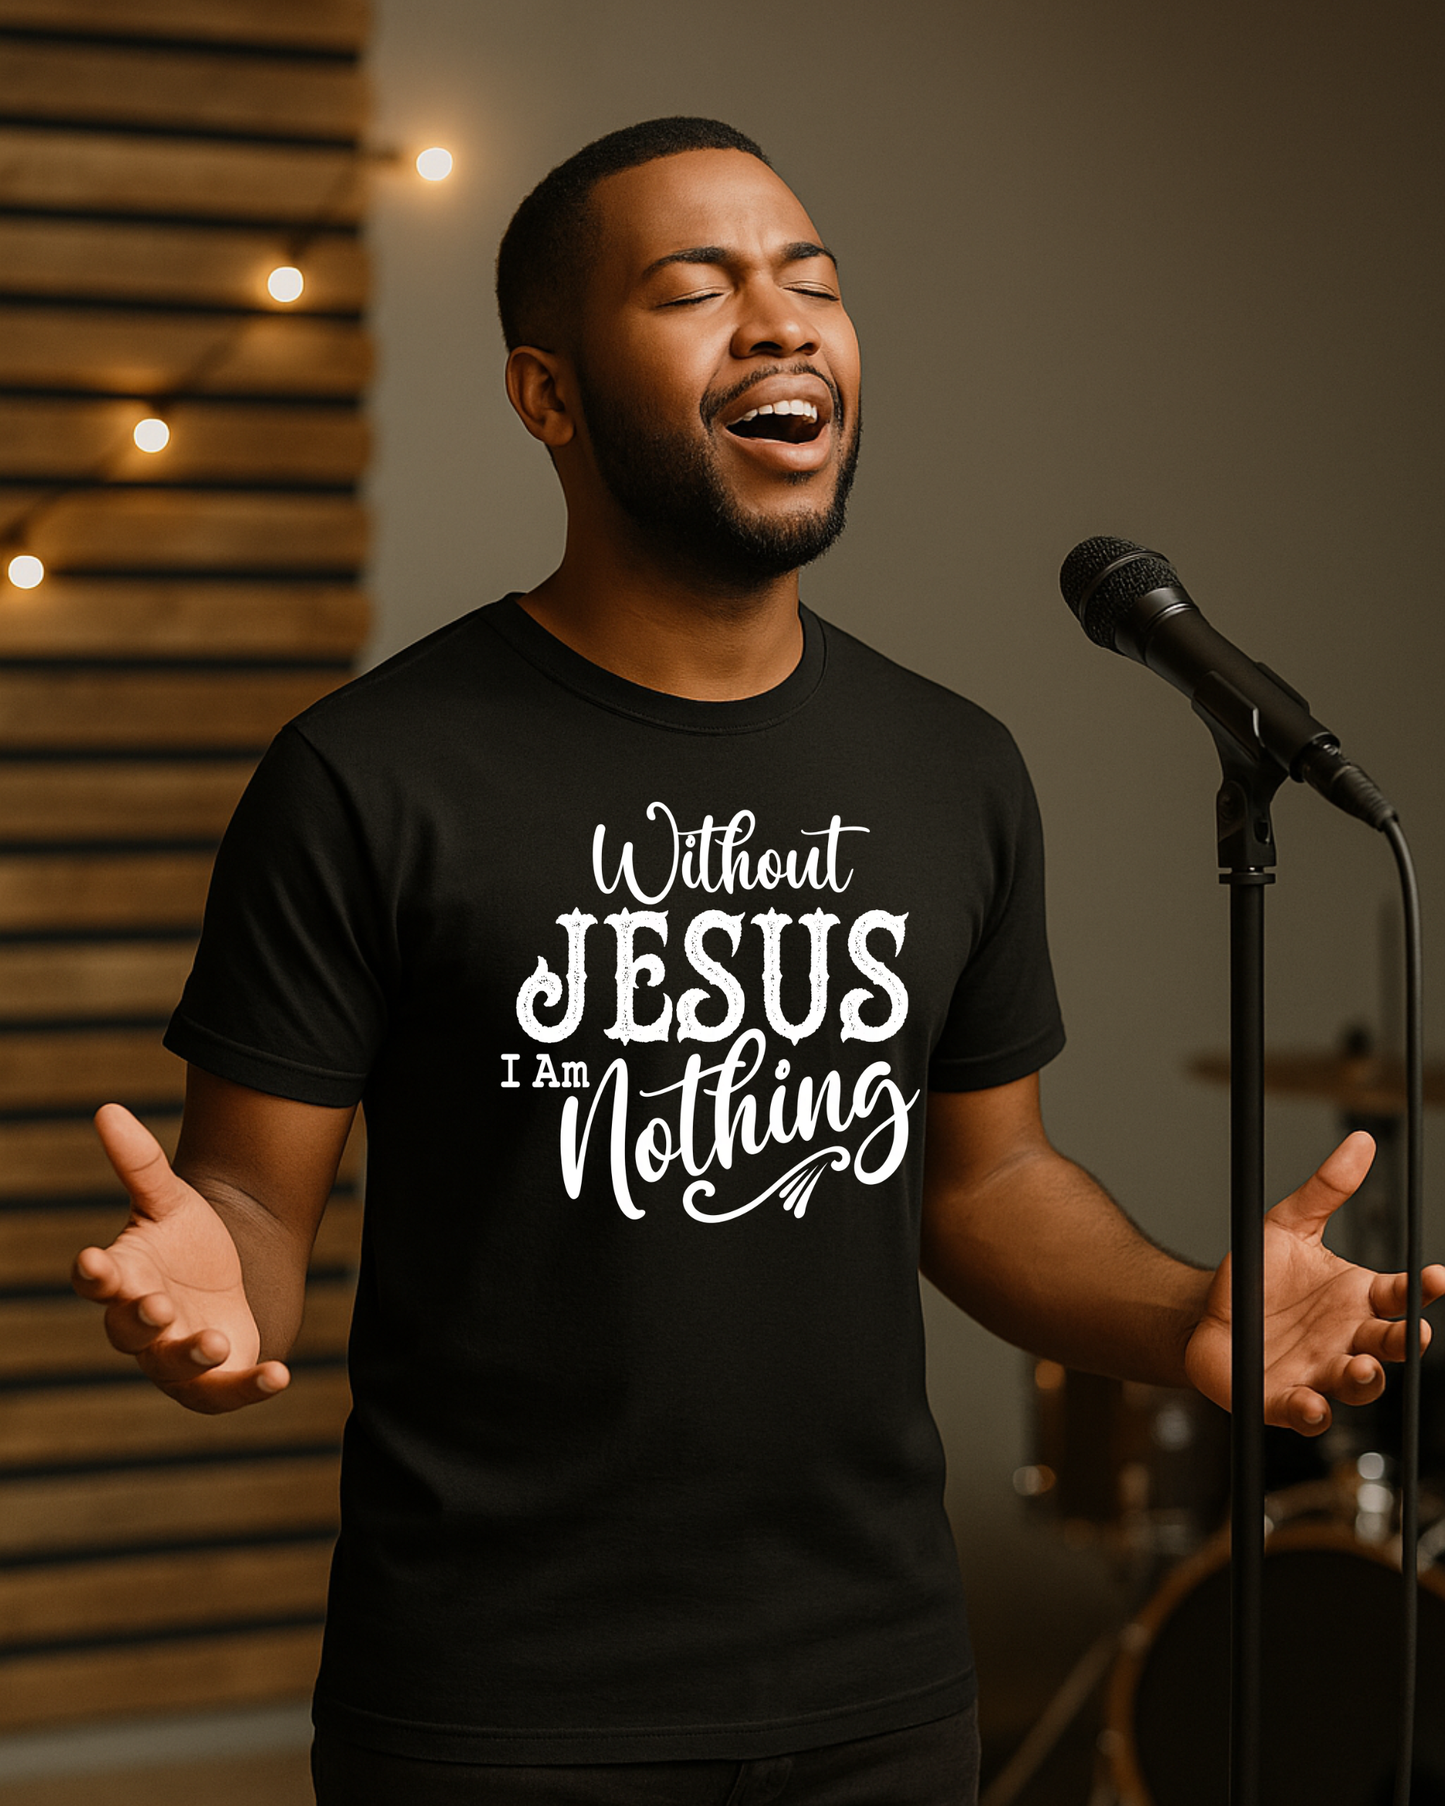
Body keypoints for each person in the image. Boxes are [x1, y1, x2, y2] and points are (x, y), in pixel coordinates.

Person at [71, 118, 1442, 1806]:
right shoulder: (369, 774)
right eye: (697, 289)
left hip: (879, 1698)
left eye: (812, 282)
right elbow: (260, 1206)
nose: (783, 321)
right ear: (547, 395)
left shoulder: (952, 767)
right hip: (498, 1714)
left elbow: (984, 1182)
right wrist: (218, 1281)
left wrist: (1186, 1313)